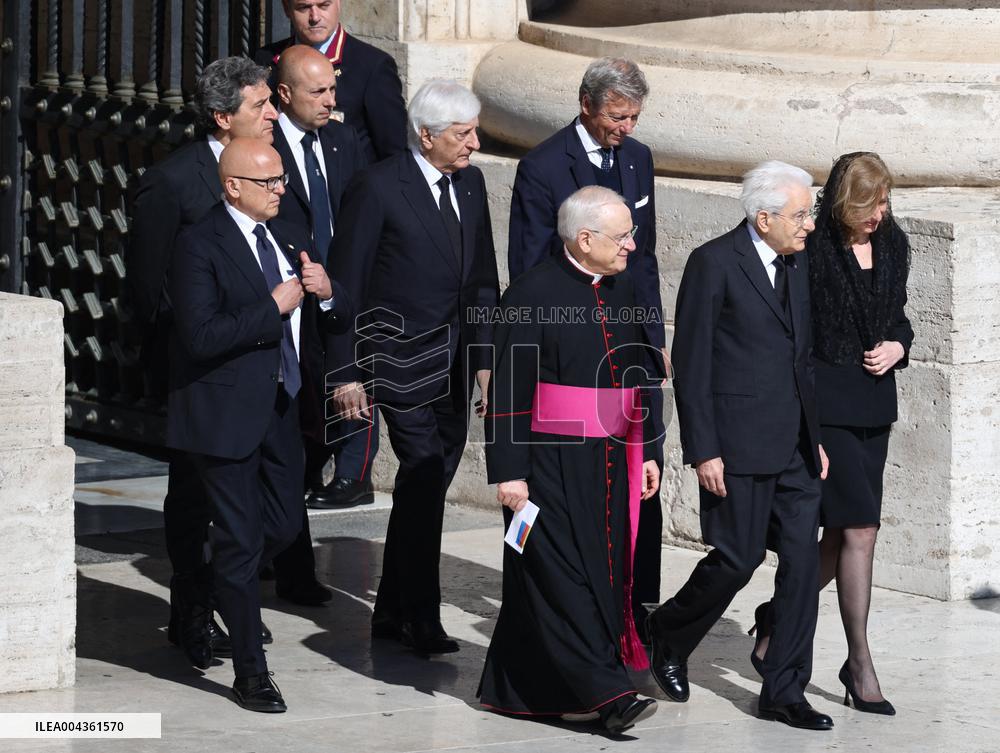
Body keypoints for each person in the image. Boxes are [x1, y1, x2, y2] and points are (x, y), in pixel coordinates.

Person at [646, 161, 834, 731]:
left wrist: (816, 437)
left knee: (802, 566)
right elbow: (693, 364)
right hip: (737, 443)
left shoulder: (798, 263)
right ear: (764, 217)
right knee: (737, 559)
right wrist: (704, 449)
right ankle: (667, 632)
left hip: (797, 447)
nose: (809, 225)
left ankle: (784, 690)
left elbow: (802, 359)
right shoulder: (714, 263)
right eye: (801, 215)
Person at [167, 138, 349, 711]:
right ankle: (251, 673)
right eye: (269, 182)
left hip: (281, 407)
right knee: (243, 542)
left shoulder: (288, 232)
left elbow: (333, 309)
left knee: (286, 524)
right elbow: (200, 336)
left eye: (281, 181)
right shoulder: (200, 243)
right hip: (223, 415)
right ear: (233, 187)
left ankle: (201, 587)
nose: (281, 190)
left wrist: (325, 293)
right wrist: (271, 307)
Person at [479, 186, 662, 736]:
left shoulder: (623, 284)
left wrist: (648, 448)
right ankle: (607, 693)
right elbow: (509, 388)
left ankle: (524, 687)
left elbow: (638, 371)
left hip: (611, 457)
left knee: (601, 569)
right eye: (622, 235)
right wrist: (509, 472)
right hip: (549, 461)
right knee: (559, 573)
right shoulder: (532, 294)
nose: (633, 244)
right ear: (584, 239)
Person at [327, 79, 499, 655]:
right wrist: (345, 372)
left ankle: (392, 608)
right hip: (396, 360)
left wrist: (485, 361)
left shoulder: (471, 184)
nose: (474, 142)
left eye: (474, 130)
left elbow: (480, 280)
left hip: (452, 366)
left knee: (426, 487)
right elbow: (345, 282)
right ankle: (420, 617)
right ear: (426, 136)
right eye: (463, 132)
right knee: (423, 472)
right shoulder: (377, 187)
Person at [506, 58, 667, 634]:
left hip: (631, 340)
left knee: (645, 473)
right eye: (617, 117)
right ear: (586, 105)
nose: (625, 127)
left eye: (633, 117)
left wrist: (653, 336)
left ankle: (636, 610)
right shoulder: (544, 166)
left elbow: (642, 257)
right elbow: (527, 266)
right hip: (571, 353)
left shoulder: (639, 158)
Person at [127, 56, 277, 667]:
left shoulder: (271, 169)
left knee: (272, 512)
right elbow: (146, 286)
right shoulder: (174, 181)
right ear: (222, 117)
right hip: (200, 371)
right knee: (192, 501)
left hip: (265, 365)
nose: (273, 112)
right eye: (260, 105)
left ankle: (226, 595)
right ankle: (192, 611)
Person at [752, 152, 912, 716]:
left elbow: (897, 316)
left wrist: (900, 345)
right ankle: (860, 663)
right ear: (846, 202)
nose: (879, 215)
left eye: (886, 202)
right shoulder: (813, 249)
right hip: (828, 408)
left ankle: (777, 617)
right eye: (870, 205)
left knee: (842, 533)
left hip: (875, 404)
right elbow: (796, 332)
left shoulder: (894, 244)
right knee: (859, 530)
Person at [265, 44, 370, 608]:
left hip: (336, 303)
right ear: (284, 95)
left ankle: (275, 544)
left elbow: (353, 215)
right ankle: (289, 560)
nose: (331, 101)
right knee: (290, 434)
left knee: (318, 432)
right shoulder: (263, 146)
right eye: (318, 92)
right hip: (288, 305)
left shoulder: (342, 139)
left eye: (333, 89)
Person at [255, 0, 407, 164]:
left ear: (338, 3)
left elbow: (394, 154)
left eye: (323, 6)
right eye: (304, 8)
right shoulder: (266, 59)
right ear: (286, 9)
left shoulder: (372, 65)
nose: (315, 17)